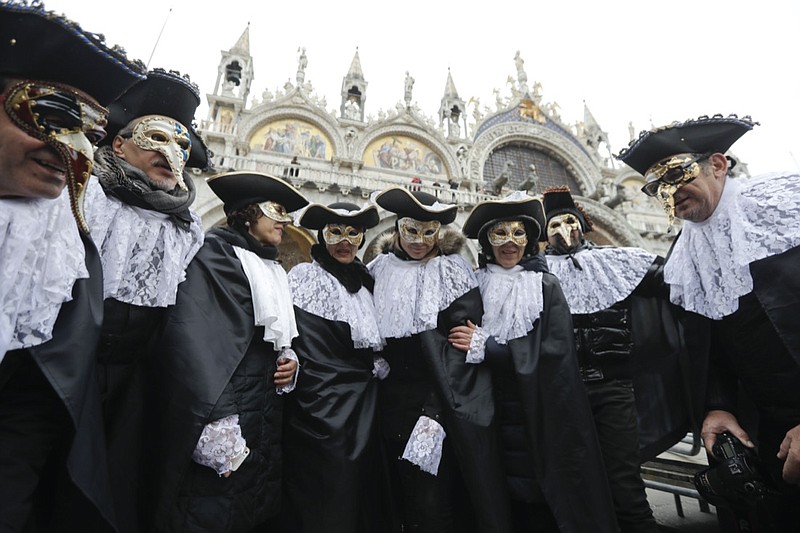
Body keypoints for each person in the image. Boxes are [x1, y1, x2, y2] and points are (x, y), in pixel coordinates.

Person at [0, 3, 146, 532]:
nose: (72, 152)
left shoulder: (63, 249)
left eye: (89, 132)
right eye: (52, 118)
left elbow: (30, 410)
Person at [617, 113, 800, 529]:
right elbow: (707, 341)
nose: (670, 192)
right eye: (656, 187)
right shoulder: (685, 256)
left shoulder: (784, 207)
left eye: (678, 174)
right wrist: (716, 406)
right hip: (765, 430)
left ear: (718, 164)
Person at [82, 67, 212, 533]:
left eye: (180, 145)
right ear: (118, 144)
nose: (169, 152)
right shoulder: (84, 195)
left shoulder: (187, 228)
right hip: (67, 370)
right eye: (154, 136)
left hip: (138, 384)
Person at [146, 171, 308, 533]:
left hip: (262, 413)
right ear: (249, 213)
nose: (285, 222)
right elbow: (193, 338)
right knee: (209, 508)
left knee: (250, 509)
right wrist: (216, 423)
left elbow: (275, 338)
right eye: (276, 211)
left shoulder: (271, 266)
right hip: (222, 414)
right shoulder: (214, 256)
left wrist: (290, 361)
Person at [452, 191, 618, 532]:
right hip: (489, 410)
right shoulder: (472, 284)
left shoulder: (545, 285)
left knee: (541, 500)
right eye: (500, 234)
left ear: (528, 239)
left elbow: (555, 351)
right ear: (487, 240)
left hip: (540, 411)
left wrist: (492, 348)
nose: (509, 243)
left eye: (518, 233)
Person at [367, 188, 511, 533]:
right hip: (384, 403)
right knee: (394, 497)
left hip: (436, 401)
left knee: (432, 501)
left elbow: (459, 348)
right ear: (398, 228)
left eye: (428, 231)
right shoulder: (376, 270)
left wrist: (435, 413)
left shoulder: (453, 272)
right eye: (411, 230)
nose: (419, 240)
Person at [541, 186, 679, 533]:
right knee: (575, 478)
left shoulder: (615, 261)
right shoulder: (535, 273)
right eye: (554, 225)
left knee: (625, 479)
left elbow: (670, 280)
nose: (564, 231)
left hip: (613, 385)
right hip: (563, 391)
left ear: (582, 224)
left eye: (570, 222)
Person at [282, 201, 388, 533]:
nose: (345, 241)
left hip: (366, 406)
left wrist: (378, 363)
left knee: (362, 491)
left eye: (353, 233)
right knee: (326, 491)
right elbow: (294, 337)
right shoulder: (304, 277)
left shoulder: (368, 281)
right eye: (335, 232)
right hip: (320, 404)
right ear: (321, 235)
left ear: (362, 238)